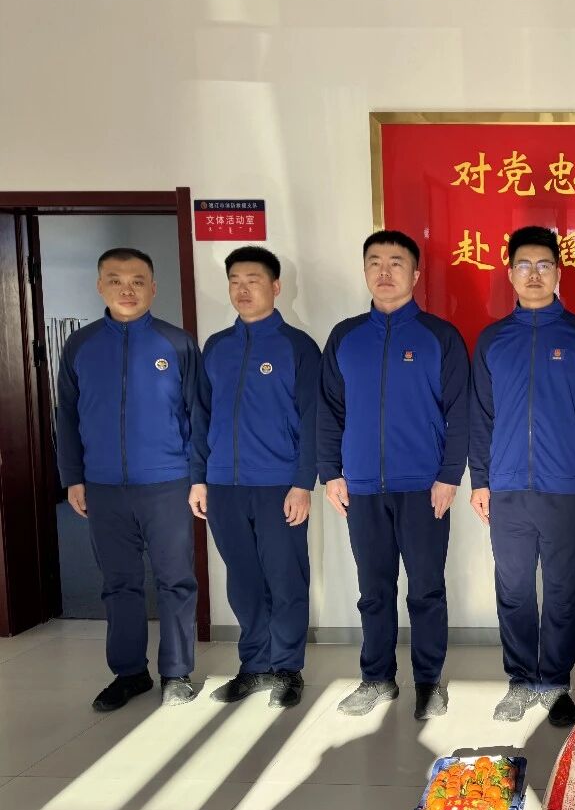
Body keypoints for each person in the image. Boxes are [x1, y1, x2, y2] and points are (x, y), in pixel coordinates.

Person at [318, 230, 469, 720]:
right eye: (375, 263)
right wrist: (330, 472)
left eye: (396, 263)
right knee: (374, 591)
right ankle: (377, 678)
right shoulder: (345, 337)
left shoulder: (439, 337)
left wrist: (449, 476)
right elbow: (329, 410)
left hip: (424, 488)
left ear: (415, 274)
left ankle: (428, 682)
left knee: (426, 589)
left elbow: (460, 412)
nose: (385, 272)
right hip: (361, 488)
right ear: (365, 271)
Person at [470, 225, 575, 727]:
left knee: (562, 591)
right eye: (524, 266)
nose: (534, 274)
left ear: (558, 273)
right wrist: (480, 480)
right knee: (513, 591)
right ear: (510, 273)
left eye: (544, 265)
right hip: (506, 489)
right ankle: (519, 679)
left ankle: (553, 683)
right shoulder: (492, 340)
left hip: (566, 488)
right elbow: (480, 416)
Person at [56, 247, 201, 711]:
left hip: (168, 483)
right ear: (100, 286)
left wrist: (199, 477)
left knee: (176, 580)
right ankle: (129, 672)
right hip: (103, 486)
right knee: (119, 583)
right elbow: (67, 416)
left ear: (153, 288)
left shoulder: (177, 343)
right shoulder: (80, 346)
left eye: (138, 280)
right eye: (116, 280)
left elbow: (198, 415)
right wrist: (73, 477)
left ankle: (176, 673)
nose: (127, 289)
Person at [189, 246, 320, 709]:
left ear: (276, 286)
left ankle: (287, 668)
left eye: (254, 280)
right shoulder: (216, 347)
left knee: (285, 578)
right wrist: (199, 478)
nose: (243, 290)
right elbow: (200, 415)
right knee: (243, 580)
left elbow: (313, 418)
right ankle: (254, 665)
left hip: (279, 485)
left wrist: (303, 483)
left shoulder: (297, 347)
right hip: (223, 486)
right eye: (235, 281)